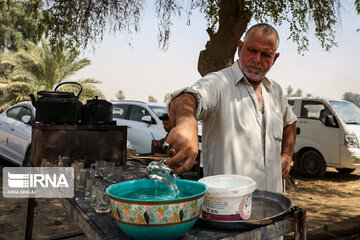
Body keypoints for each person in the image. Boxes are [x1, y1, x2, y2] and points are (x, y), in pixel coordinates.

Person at [165, 23, 297, 193]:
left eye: (266, 55)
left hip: (272, 206)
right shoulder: (219, 83)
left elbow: (290, 121)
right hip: (228, 210)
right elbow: (186, 98)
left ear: (275, 58)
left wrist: (286, 155)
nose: (257, 60)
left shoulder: (276, 91)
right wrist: (187, 124)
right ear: (240, 48)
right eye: (252, 50)